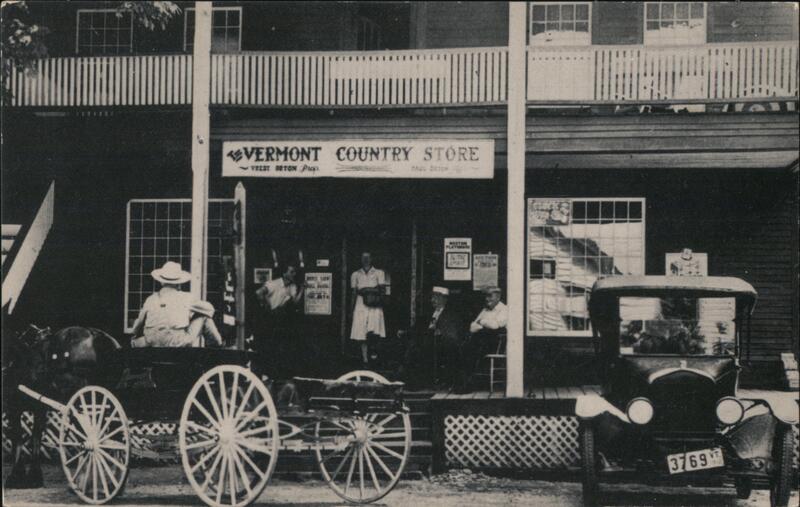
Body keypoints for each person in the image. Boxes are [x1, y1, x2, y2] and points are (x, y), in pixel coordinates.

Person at [131, 261, 223, 348]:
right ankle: (217, 346)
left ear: (161, 282)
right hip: (177, 342)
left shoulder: (150, 299)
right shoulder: (187, 298)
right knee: (204, 315)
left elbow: (137, 327)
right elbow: (210, 309)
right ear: (179, 283)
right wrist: (188, 316)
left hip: (152, 341)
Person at [405, 286, 466, 387]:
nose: (432, 300)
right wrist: (406, 331)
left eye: (436, 298)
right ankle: (413, 382)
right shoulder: (428, 313)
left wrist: (440, 332)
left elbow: (452, 333)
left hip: (441, 345)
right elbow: (418, 328)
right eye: (432, 298)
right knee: (413, 348)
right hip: (427, 342)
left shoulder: (450, 315)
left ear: (444, 299)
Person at [254, 263, 305, 378]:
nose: (294, 274)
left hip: (280, 319)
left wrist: (302, 289)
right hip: (270, 317)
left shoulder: (292, 287)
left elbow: (295, 302)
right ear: (284, 273)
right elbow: (258, 293)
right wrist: (268, 307)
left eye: (294, 272)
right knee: (268, 345)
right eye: (291, 272)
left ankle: (275, 374)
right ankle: (265, 373)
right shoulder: (274, 284)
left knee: (278, 346)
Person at [455, 286, 508, 393]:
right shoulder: (485, 310)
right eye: (486, 296)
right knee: (463, 349)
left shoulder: (504, 309)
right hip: (482, 340)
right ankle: (462, 383)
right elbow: (472, 326)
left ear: (498, 296)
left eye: (490, 296)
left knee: (469, 351)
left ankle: (467, 385)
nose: (487, 299)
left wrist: (482, 322)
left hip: (496, 342)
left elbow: (494, 326)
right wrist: (482, 323)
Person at [350, 252, 386, 365]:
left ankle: (374, 356)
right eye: (363, 257)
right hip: (360, 305)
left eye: (368, 257)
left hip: (374, 305)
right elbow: (354, 293)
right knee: (361, 332)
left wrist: (365, 290)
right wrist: (351, 310)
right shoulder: (355, 274)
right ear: (360, 259)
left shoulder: (379, 273)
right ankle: (365, 359)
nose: (365, 259)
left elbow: (382, 290)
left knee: (375, 331)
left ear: (372, 258)